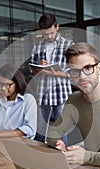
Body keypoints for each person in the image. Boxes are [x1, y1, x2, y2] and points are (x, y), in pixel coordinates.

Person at [30, 13, 73, 143]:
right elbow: (32, 72)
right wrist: (38, 68)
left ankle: (63, 154)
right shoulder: (37, 47)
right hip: (43, 93)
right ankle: (39, 154)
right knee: (40, 127)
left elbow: (74, 73)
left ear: (57, 27)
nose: (48, 36)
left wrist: (56, 74)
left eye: (51, 33)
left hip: (61, 93)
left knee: (61, 128)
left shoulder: (68, 45)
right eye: (45, 34)